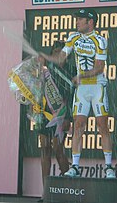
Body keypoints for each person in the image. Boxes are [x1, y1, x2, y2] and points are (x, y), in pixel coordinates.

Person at [40, 8, 116, 178]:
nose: (77, 22)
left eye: (80, 19)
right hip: (82, 89)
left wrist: (82, 75)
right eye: (77, 19)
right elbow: (60, 59)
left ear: (90, 22)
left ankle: (109, 166)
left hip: (96, 86)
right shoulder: (73, 37)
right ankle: (75, 166)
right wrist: (45, 57)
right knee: (78, 125)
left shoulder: (100, 40)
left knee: (102, 125)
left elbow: (99, 67)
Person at [36, 40, 75, 202]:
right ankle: (45, 193)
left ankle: (68, 190)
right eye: (54, 52)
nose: (57, 55)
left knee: (58, 150)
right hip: (45, 115)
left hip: (62, 116)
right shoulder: (46, 71)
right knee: (45, 149)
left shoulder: (71, 71)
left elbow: (73, 98)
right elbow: (38, 89)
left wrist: (69, 119)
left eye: (61, 52)